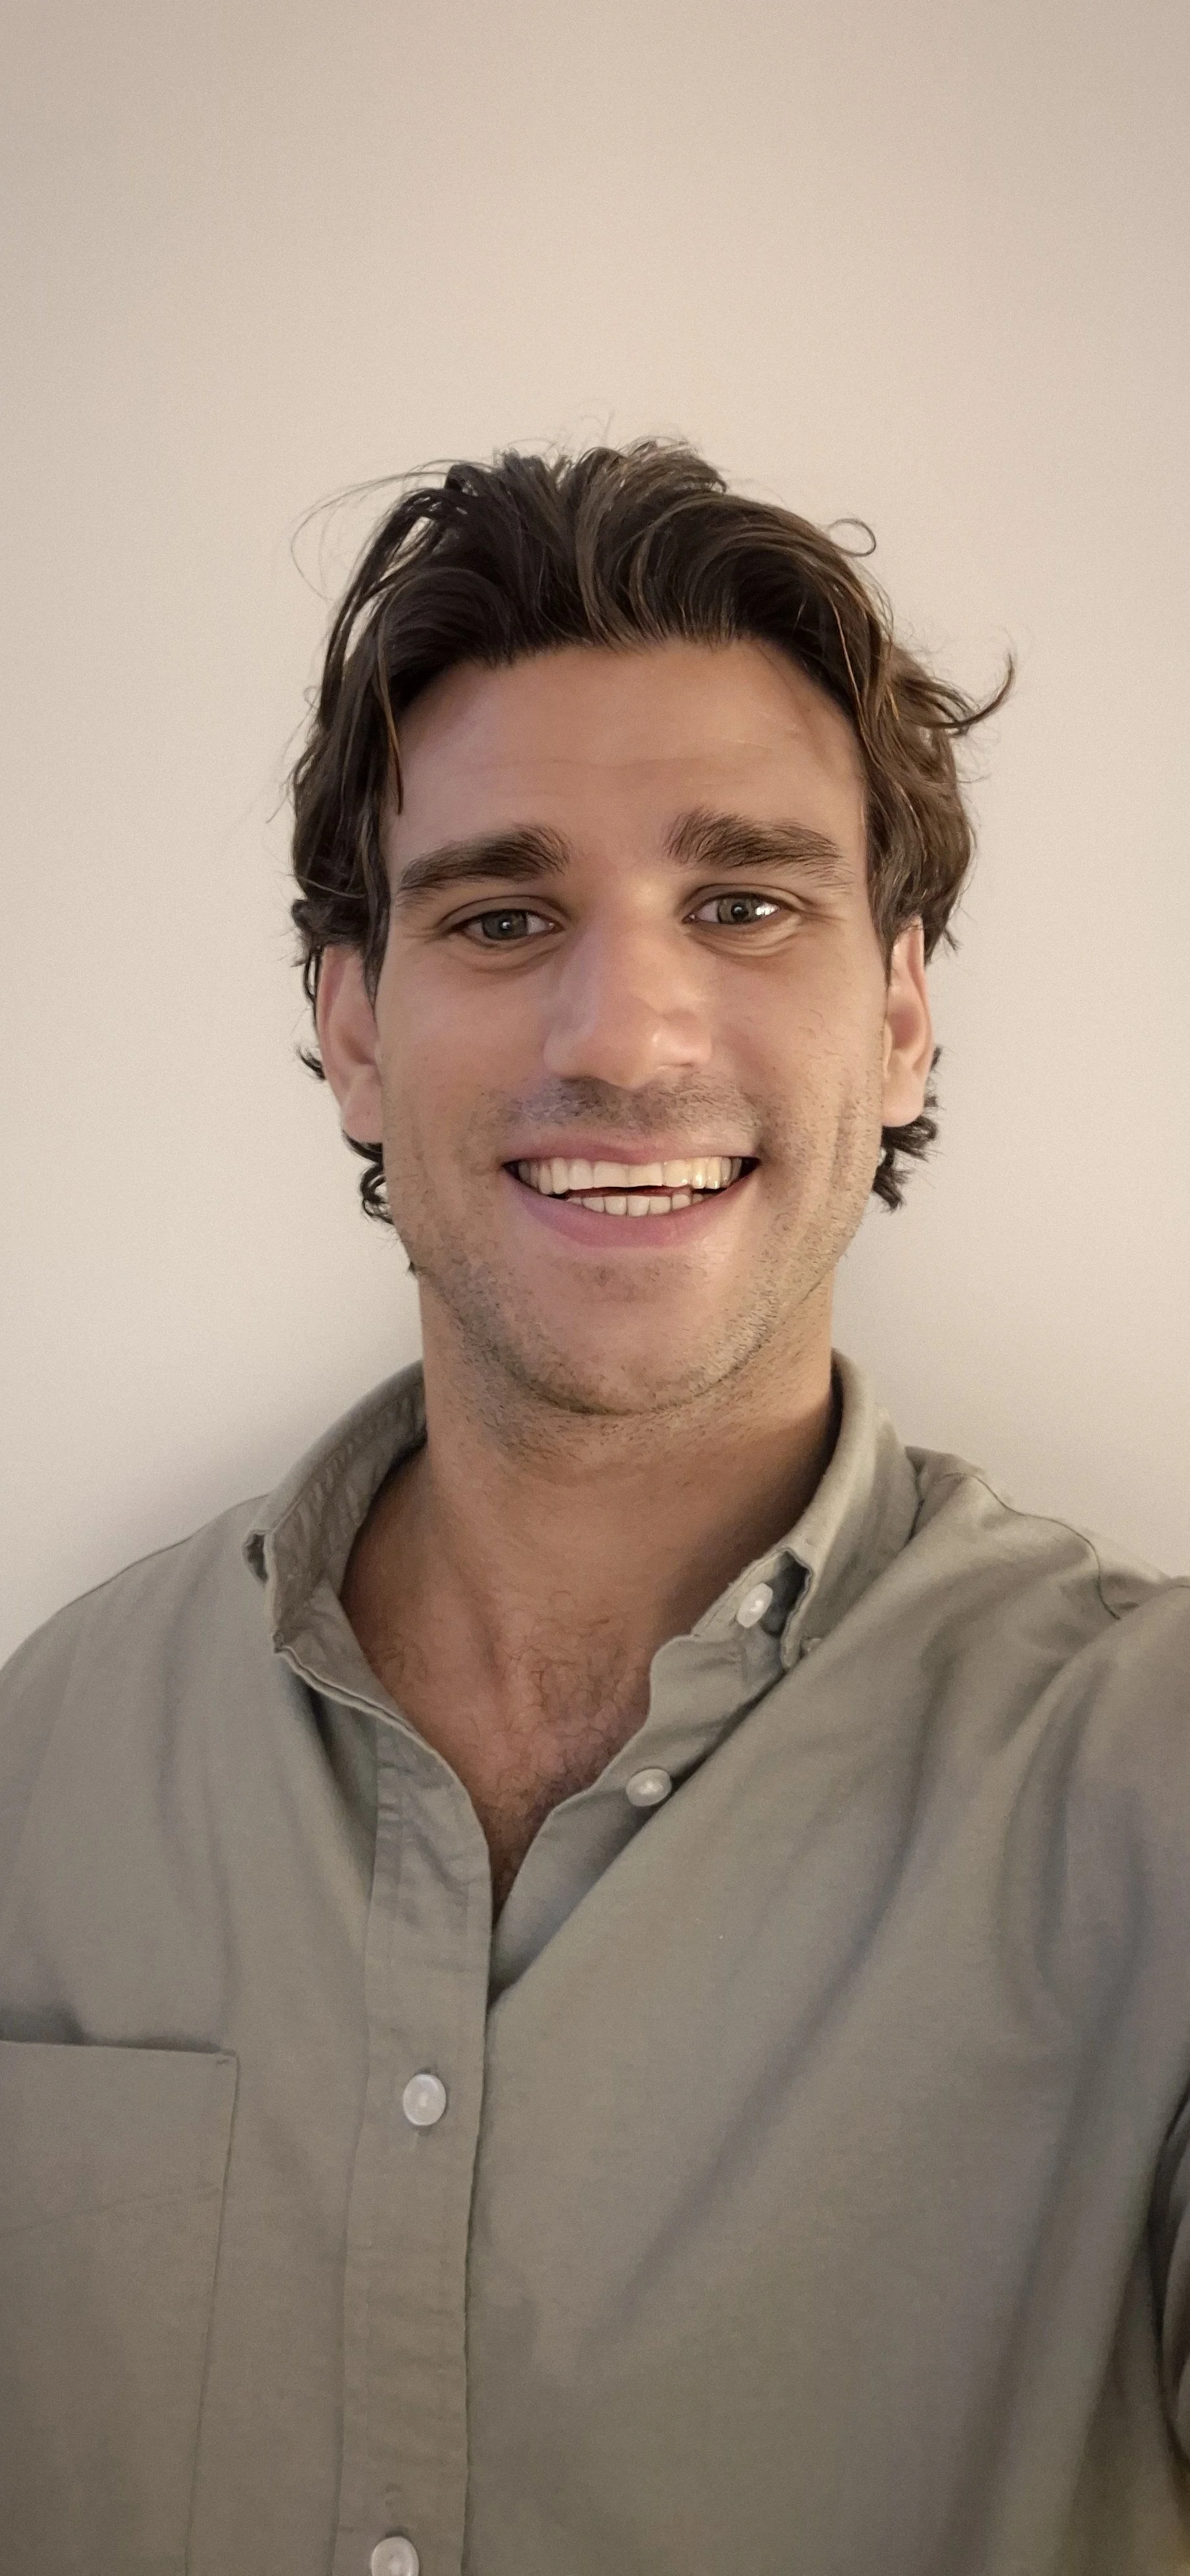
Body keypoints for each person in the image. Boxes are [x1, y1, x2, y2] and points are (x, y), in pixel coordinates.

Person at [1, 440, 1187, 2576]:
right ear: (354, 1032)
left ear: (902, 1015)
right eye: (501, 911)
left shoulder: (1160, 1786)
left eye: (745, 901)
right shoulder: (42, 1760)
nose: (625, 1029)